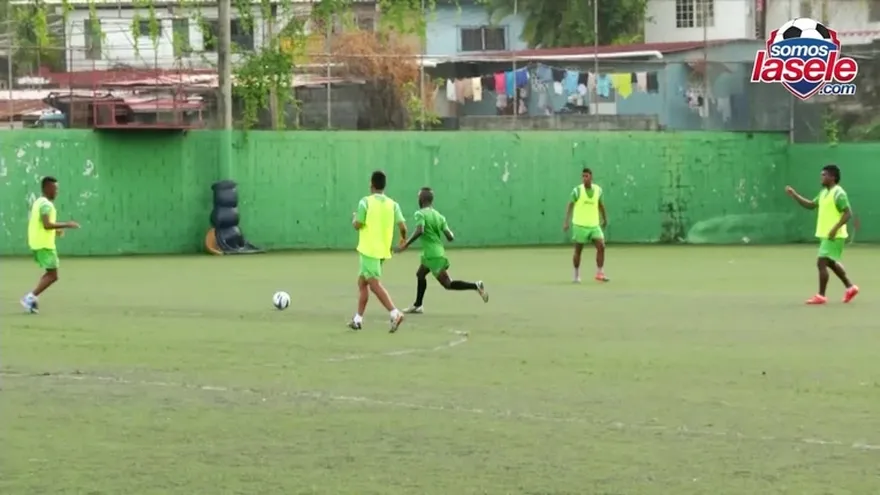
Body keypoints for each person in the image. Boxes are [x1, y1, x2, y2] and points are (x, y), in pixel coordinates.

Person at [395, 187, 488, 314]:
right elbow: (450, 237)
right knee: (420, 274)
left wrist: (405, 245)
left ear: (421, 199)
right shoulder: (439, 216)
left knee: (448, 284)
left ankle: (476, 286)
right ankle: (418, 305)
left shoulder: (420, 214)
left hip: (434, 256)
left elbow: (420, 230)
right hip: (432, 253)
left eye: (418, 197)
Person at [785, 164, 859, 305]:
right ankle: (850, 287)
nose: (821, 177)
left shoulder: (839, 193)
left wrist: (834, 229)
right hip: (826, 234)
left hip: (834, 235)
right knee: (830, 262)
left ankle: (821, 295)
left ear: (832, 177)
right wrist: (794, 195)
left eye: (824, 175)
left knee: (821, 262)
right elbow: (811, 205)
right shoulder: (824, 193)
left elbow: (848, 213)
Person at [349, 170, 408, 332]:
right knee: (362, 282)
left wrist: (354, 218)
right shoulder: (393, 204)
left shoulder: (365, 202)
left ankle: (394, 313)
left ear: (371, 184)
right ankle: (358, 319)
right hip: (382, 250)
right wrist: (403, 239)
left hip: (369, 249)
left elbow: (358, 224)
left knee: (373, 284)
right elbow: (403, 226)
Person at [21, 176, 79, 313]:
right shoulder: (46, 205)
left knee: (50, 273)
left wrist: (57, 230)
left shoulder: (38, 202)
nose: (57, 192)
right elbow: (47, 225)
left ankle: (32, 298)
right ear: (47, 188)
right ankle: (30, 297)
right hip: (44, 245)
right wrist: (67, 224)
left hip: (38, 243)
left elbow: (43, 224)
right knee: (53, 275)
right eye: (55, 189)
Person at [563, 167, 609, 283]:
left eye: (586, 176)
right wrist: (566, 221)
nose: (584, 178)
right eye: (583, 176)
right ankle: (576, 275)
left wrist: (605, 218)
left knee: (601, 246)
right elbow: (570, 205)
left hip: (594, 225)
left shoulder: (598, 190)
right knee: (578, 250)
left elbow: (601, 205)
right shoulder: (577, 190)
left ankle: (600, 273)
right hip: (579, 225)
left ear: (591, 177)